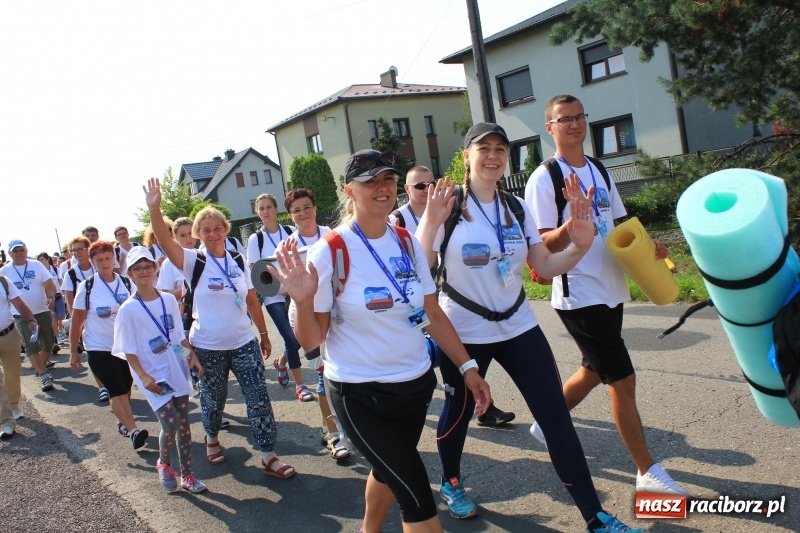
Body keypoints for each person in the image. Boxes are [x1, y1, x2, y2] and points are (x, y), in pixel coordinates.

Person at [416, 123, 644, 533]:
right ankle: (451, 481)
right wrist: (429, 224)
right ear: (466, 156)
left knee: (556, 418)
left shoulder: (517, 208)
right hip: (465, 330)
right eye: (484, 148)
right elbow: (419, 270)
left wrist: (580, 245)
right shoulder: (448, 208)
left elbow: (545, 266)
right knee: (460, 412)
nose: (493, 156)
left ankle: (595, 516)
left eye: (500, 149)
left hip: (519, 324)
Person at [272, 148, 492, 533]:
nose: (382, 187)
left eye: (388, 178)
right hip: (360, 393)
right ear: (349, 191)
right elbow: (312, 340)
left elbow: (431, 312)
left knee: (388, 472)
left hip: (414, 386)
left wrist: (468, 367)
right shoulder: (330, 250)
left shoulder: (407, 242)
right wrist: (303, 301)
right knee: (417, 498)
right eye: (369, 181)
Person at [524, 95, 689, 497]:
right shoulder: (544, 178)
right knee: (622, 379)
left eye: (579, 117)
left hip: (611, 285)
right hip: (578, 291)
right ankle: (647, 471)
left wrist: (649, 247)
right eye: (564, 119)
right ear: (550, 128)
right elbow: (540, 244)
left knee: (595, 368)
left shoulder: (599, 169)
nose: (574, 124)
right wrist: (571, 224)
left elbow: (618, 223)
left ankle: (547, 421)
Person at [143, 178, 295, 479]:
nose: (212, 234)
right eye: (205, 230)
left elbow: (251, 299)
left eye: (217, 228)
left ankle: (268, 454)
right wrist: (154, 208)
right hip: (208, 345)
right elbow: (163, 239)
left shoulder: (237, 260)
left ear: (226, 229)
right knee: (214, 398)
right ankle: (211, 437)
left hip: (244, 342)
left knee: (258, 396)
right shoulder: (192, 261)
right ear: (198, 235)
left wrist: (264, 335)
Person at [392, 166, 516, 428]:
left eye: (432, 184)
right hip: (410, 301)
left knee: (457, 354)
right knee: (421, 354)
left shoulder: (448, 209)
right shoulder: (398, 219)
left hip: (441, 294)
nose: (428, 190)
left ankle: (483, 406)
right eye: (420, 186)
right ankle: (411, 405)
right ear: (406, 190)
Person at [112, 246, 207, 493]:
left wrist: (191, 357)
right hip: (152, 375)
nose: (144, 271)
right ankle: (164, 463)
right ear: (130, 274)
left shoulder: (168, 300)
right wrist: (143, 376)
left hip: (175, 368)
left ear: (156, 268)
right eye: (137, 268)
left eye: (148, 266)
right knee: (170, 422)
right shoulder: (128, 309)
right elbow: (128, 349)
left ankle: (188, 475)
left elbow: (178, 336)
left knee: (183, 423)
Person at [68, 240, 149, 449]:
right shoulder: (87, 287)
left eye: (107, 258)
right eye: (99, 259)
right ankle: (133, 430)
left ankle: (123, 423)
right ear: (92, 261)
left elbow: (140, 310)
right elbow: (77, 322)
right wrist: (73, 352)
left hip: (125, 347)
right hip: (99, 348)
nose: (104, 263)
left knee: (126, 386)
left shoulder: (127, 283)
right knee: (115, 388)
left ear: (114, 259)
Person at [0, 240, 58, 392]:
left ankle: (40, 365)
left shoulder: (36, 265)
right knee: (30, 345)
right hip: (20, 315)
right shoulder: (4, 271)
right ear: (10, 253)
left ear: (26, 250)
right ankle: (43, 375)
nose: (19, 253)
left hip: (42, 310)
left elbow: (49, 284)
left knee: (48, 343)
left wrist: (51, 297)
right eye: (15, 250)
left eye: (21, 249)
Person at [0, 271, 39, 421]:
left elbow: (20, 304)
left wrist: (31, 319)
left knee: (13, 374)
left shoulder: (3, 282)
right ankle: (5, 418)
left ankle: (14, 406)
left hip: (9, 335)